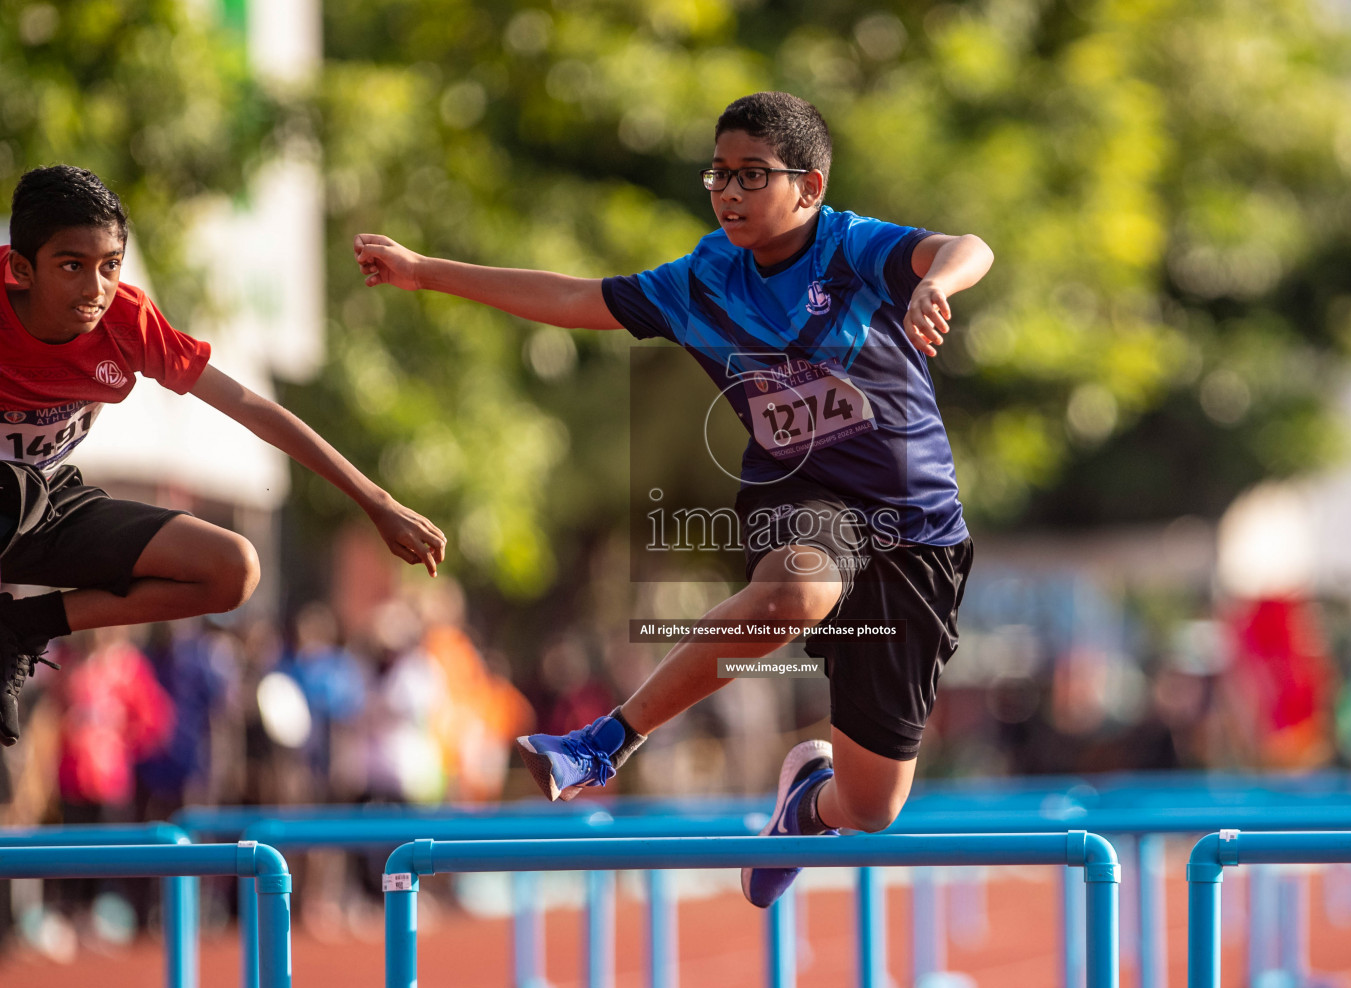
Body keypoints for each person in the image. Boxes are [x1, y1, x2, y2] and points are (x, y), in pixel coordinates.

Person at [355, 92, 991, 907]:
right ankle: (605, 740)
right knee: (797, 591)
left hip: (917, 533)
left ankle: (807, 806)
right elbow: (576, 300)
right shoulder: (702, 281)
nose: (729, 192)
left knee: (871, 808)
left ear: (811, 186)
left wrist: (936, 285)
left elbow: (968, 247)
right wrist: (424, 271)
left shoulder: (849, 248)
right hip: (799, 491)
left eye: (753, 175)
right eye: (718, 174)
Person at [0, 165, 447, 746]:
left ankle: (20, 628)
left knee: (233, 569)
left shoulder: (128, 323)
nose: (95, 289)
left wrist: (375, 499)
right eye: (71, 266)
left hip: (46, 502)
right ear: (19, 268)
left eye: (110, 266)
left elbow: (252, 408)